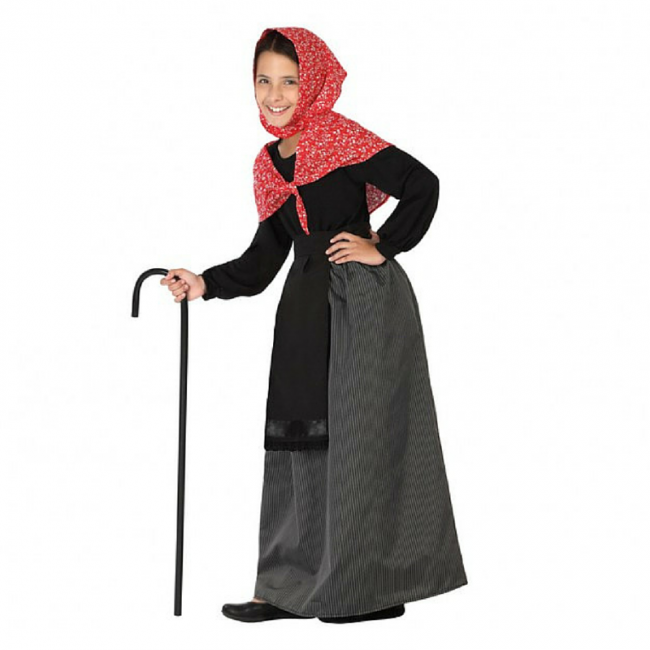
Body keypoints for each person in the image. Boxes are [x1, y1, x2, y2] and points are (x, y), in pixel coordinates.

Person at [161, 26, 468, 624]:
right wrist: (204, 283)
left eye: (290, 81)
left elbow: (422, 185)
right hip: (304, 307)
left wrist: (383, 245)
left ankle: (364, 589)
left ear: (315, 84)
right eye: (264, 80)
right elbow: (264, 258)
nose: (275, 94)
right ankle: (286, 587)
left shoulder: (340, 136)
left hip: (363, 305)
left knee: (360, 438)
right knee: (299, 434)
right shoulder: (269, 164)